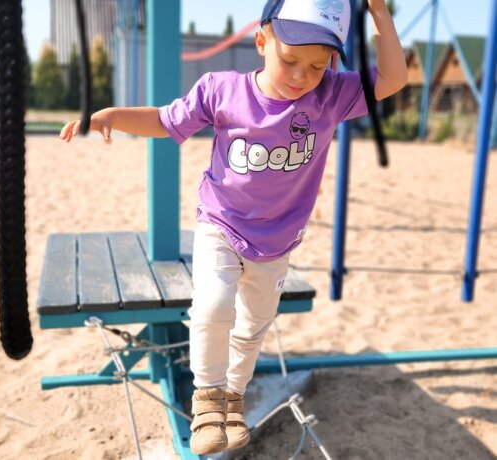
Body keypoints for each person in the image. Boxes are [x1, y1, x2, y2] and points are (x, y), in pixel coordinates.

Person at [60, 0, 407, 455]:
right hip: (220, 224)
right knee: (213, 304)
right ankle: (206, 401)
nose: (301, 76)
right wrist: (111, 116)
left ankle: (233, 400)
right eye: (290, 59)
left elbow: (393, 80)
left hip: (277, 241)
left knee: (253, 326)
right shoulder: (222, 90)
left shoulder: (331, 97)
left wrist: (380, 13)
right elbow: (165, 120)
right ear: (261, 41)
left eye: (317, 66)